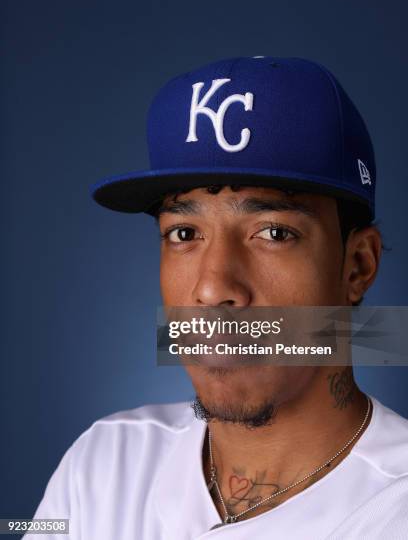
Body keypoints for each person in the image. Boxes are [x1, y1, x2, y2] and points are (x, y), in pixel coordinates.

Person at [28, 57, 408, 539]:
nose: (212, 288)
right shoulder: (107, 463)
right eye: (184, 232)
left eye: (273, 232)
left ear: (357, 266)